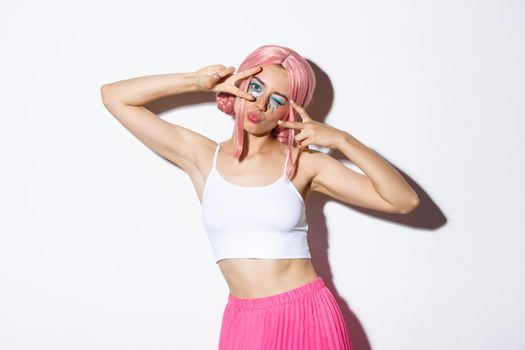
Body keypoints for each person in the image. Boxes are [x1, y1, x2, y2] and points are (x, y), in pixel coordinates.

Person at [100, 44, 420, 349]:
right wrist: (197, 81)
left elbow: (403, 200)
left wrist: (344, 141)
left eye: (277, 99)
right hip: (244, 323)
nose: (261, 105)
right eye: (255, 88)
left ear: (290, 109)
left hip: (306, 315)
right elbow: (114, 97)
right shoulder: (202, 156)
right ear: (240, 84)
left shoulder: (302, 163)